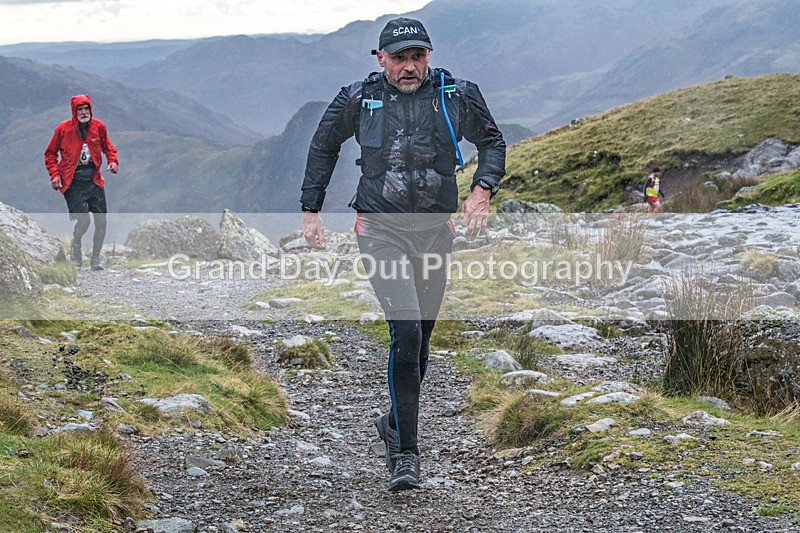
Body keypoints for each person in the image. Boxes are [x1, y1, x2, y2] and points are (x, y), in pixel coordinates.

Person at [300, 17, 505, 491]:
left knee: (422, 338)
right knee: (407, 329)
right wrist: (311, 210)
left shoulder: (456, 95)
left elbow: (492, 142)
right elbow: (323, 145)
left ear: (429, 56)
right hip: (380, 230)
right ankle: (406, 455)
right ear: (380, 59)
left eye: (418, 56)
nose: (409, 66)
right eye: (399, 58)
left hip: (435, 232)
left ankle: (394, 421)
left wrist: (481, 191)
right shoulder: (358, 99)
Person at [45, 94, 118, 270]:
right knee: (84, 221)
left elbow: (109, 148)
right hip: (73, 183)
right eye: (80, 109)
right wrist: (55, 175)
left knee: (101, 221)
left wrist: (113, 161)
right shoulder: (63, 129)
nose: (84, 112)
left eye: (86, 109)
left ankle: (95, 259)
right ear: (74, 111)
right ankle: (76, 244)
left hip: (94, 180)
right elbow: (50, 154)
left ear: (90, 110)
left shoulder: (98, 127)